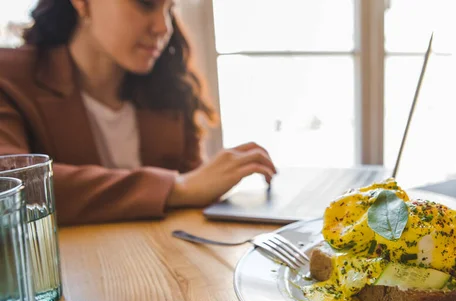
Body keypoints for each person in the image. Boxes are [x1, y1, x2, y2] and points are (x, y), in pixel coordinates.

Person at [0, 0, 276, 225]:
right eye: (146, 4)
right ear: (82, 4)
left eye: (169, 9)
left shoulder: (169, 86)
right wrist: (175, 187)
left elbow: (194, 199)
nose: (163, 27)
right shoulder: (10, 78)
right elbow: (11, 183)